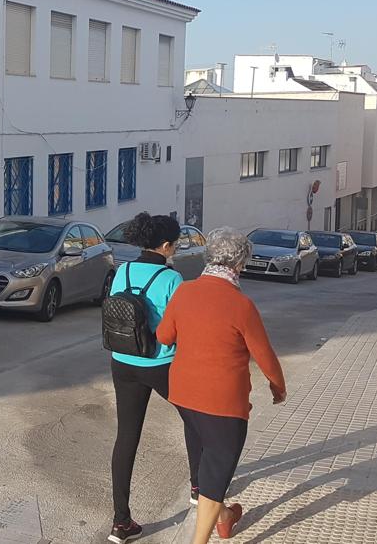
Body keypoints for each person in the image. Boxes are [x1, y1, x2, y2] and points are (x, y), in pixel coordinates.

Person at [156, 226, 287, 543]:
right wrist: (277, 386)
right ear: (239, 264)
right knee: (215, 475)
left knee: (210, 467)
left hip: (184, 396)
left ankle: (225, 518)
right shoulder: (241, 305)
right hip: (224, 404)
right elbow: (264, 353)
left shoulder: (184, 291)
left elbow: (163, 337)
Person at [107, 213, 183, 544]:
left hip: (122, 361)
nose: (175, 250)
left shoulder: (122, 270)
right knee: (195, 421)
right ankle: (198, 489)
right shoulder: (171, 278)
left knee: (126, 437)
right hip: (160, 364)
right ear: (165, 246)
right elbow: (179, 328)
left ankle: (121, 523)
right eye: (175, 245)